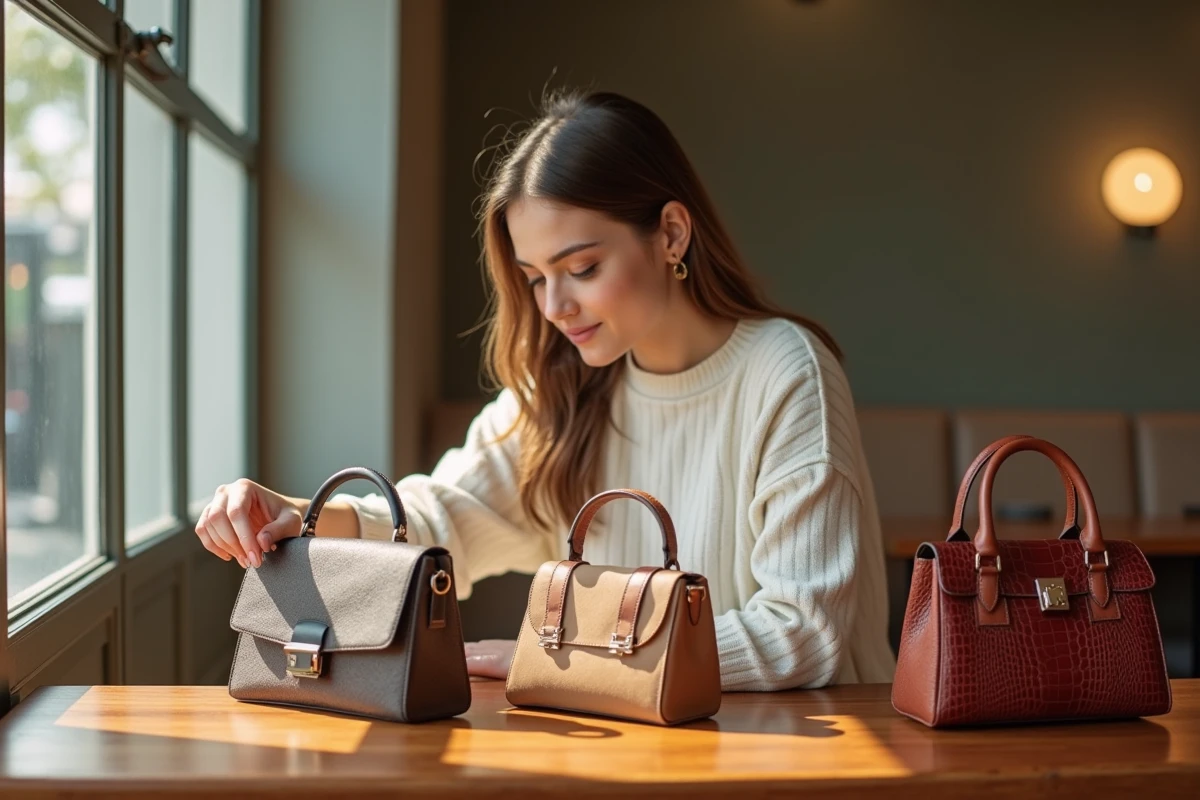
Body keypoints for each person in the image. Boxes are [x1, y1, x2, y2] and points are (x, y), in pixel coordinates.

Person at [195, 90, 896, 691]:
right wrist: (294, 513)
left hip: (811, 751)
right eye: (534, 277)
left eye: (582, 267)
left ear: (672, 234)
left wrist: (560, 663)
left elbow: (803, 633)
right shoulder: (565, 384)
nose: (554, 305)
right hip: (645, 748)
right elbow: (438, 520)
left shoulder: (784, 371)